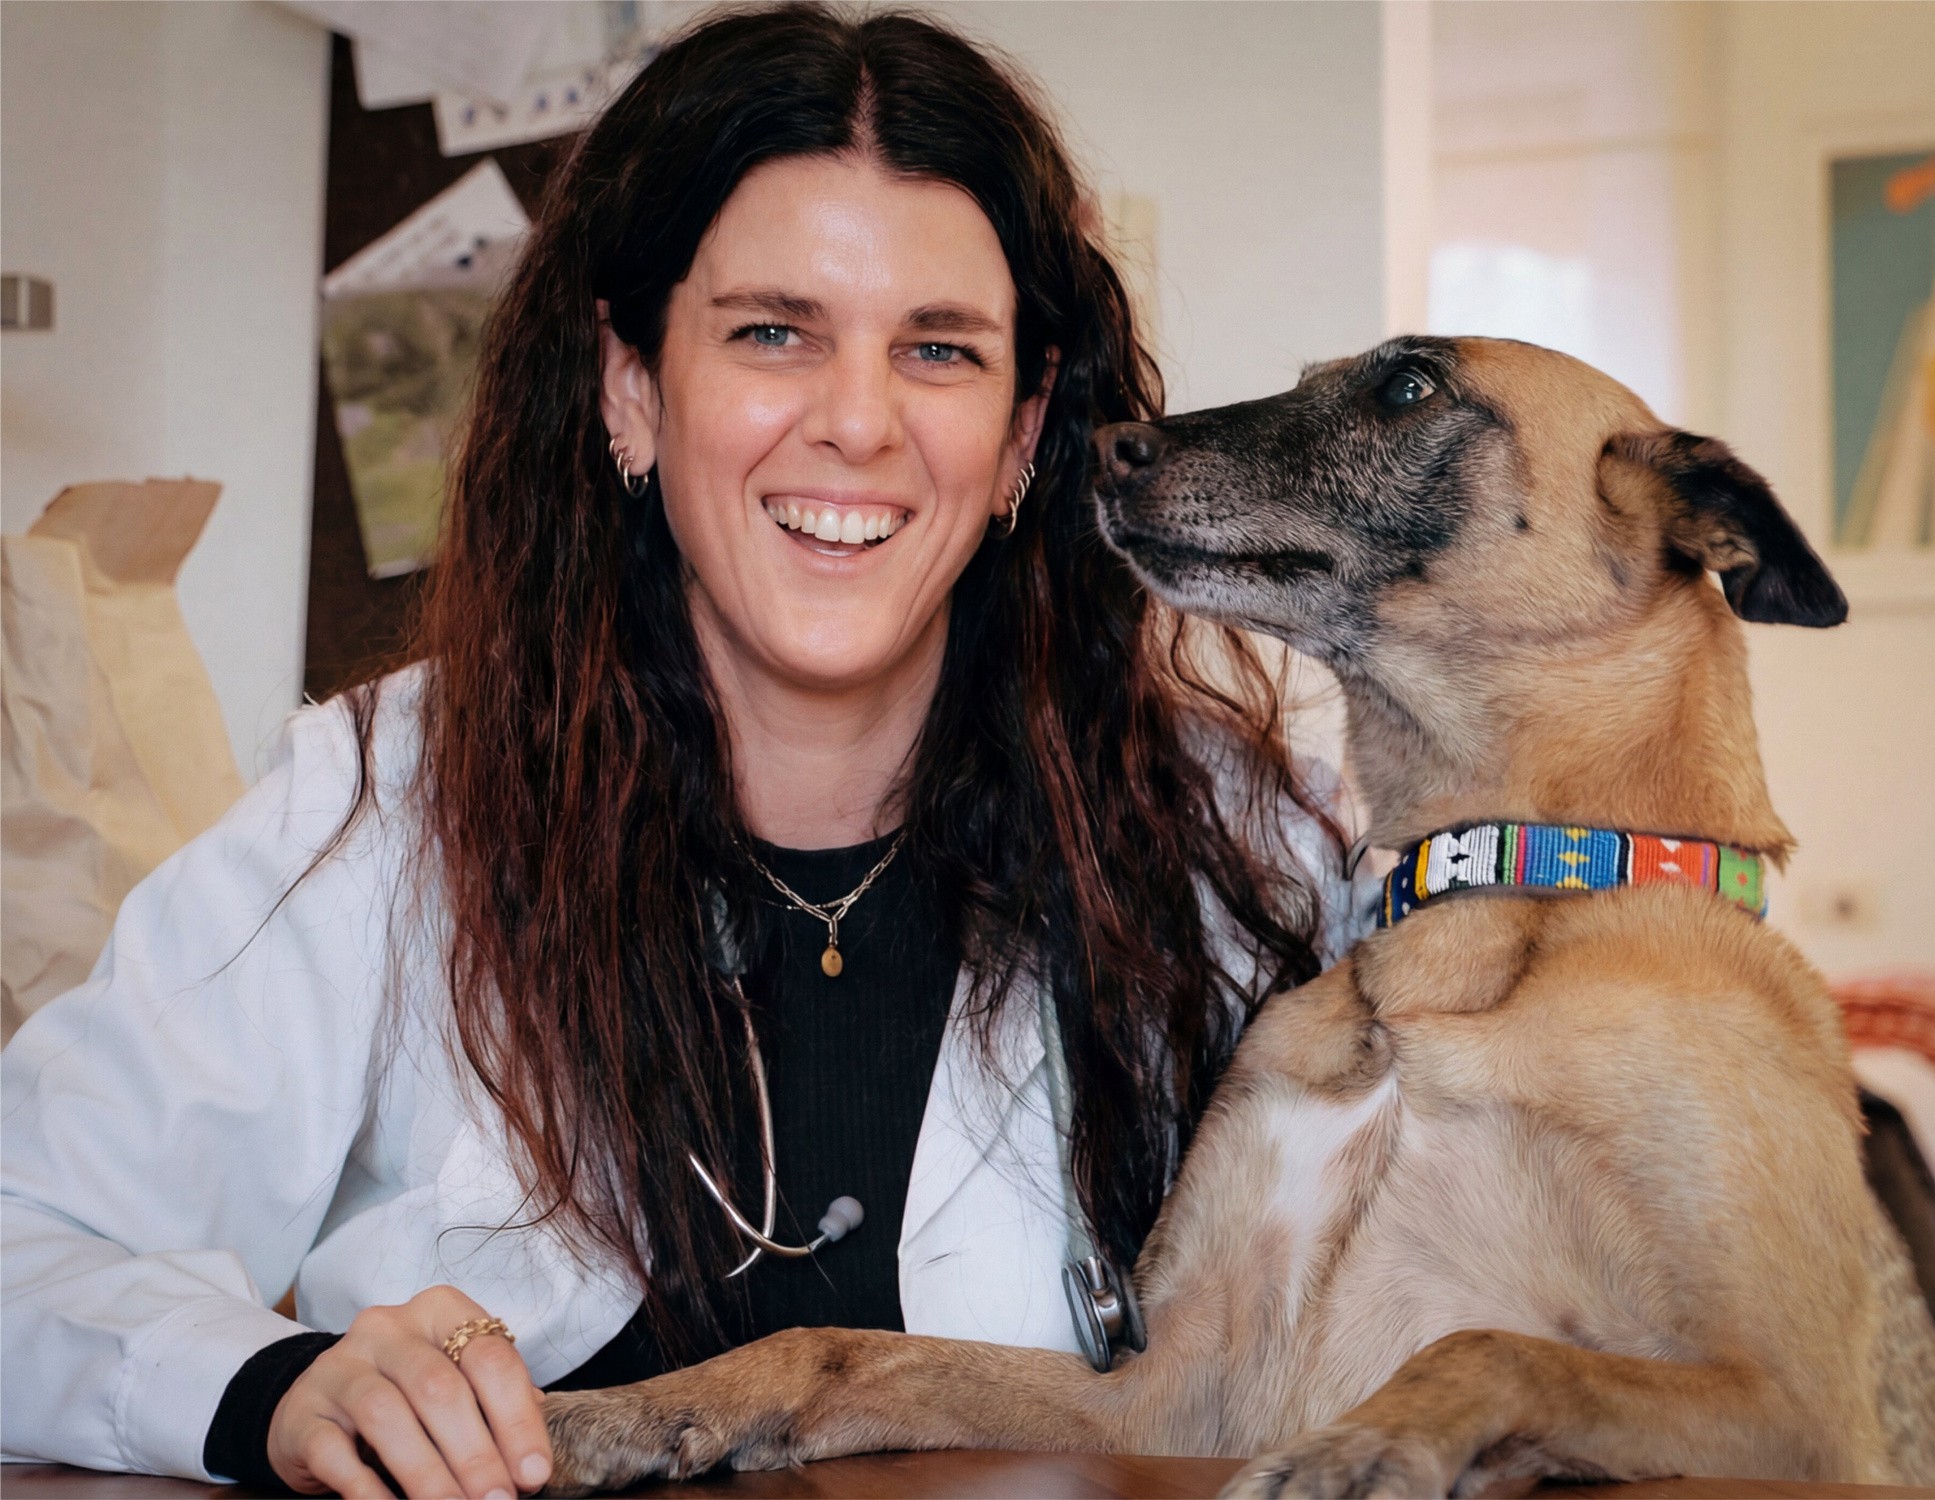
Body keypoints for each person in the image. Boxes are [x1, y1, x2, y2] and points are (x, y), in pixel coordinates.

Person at [2, 8, 1369, 1497]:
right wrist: (268, 1387)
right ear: (632, 386)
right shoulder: (385, 802)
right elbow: (27, 1233)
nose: (857, 423)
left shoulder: (1238, 849)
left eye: (939, 350)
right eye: (772, 333)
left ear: (1025, 433)